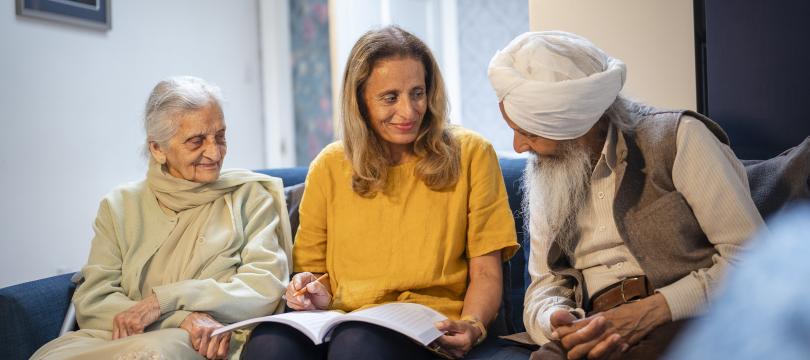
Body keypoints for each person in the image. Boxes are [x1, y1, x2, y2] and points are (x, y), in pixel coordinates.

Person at [243, 26, 522, 360]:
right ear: (360, 100)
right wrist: (310, 291)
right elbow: (316, 276)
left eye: (417, 93)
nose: (408, 111)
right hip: (344, 321)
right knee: (268, 343)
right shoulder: (329, 166)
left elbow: (487, 271)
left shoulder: (473, 154)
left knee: (356, 343)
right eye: (390, 98)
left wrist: (473, 325)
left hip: (429, 328)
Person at [487, 31, 764, 359]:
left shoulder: (679, 138)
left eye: (528, 132)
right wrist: (556, 320)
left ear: (574, 123)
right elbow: (543, 285)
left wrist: (652, 311)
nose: (519, 147)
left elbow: (752, 261)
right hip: (595, 325)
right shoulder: (545, 170)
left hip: (683, 317)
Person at [31, 76, 293, 360]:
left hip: (204, 339)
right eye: (196, 141)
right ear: (157, 149)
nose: (215, 152)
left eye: (220, 136)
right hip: (112, 336)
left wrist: (165, 300)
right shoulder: (119, 205)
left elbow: (264, 287)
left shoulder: (249, 197)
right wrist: (179, 318)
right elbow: (94, 300)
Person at [663, 202, 810, 360]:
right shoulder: (792, 239)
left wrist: (661, 305)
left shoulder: (793, 243)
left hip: (691, 312)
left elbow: (740, 258)